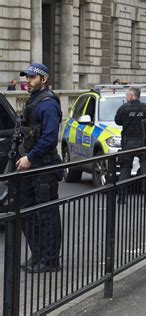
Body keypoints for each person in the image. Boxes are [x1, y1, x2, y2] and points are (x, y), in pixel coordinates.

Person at [16, 63, 63, 272]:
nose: (28, 81)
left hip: (43, 166)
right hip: (32, 166)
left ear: (43, 79)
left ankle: (50, 260)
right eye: (27, 77)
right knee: (26, 211)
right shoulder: (33, 100)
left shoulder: (47, 103)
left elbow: (50, 138)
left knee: (47, 214)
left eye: (32, 78)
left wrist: (30, 157)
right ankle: (38, 255)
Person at [114, 87, 146, 204]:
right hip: (142, 142)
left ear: (131, 96)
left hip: (128, 142)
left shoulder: (123, 108)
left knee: (125, 169)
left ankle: (121, 197)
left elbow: (118, 121)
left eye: (127, 95)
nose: (126, 97)